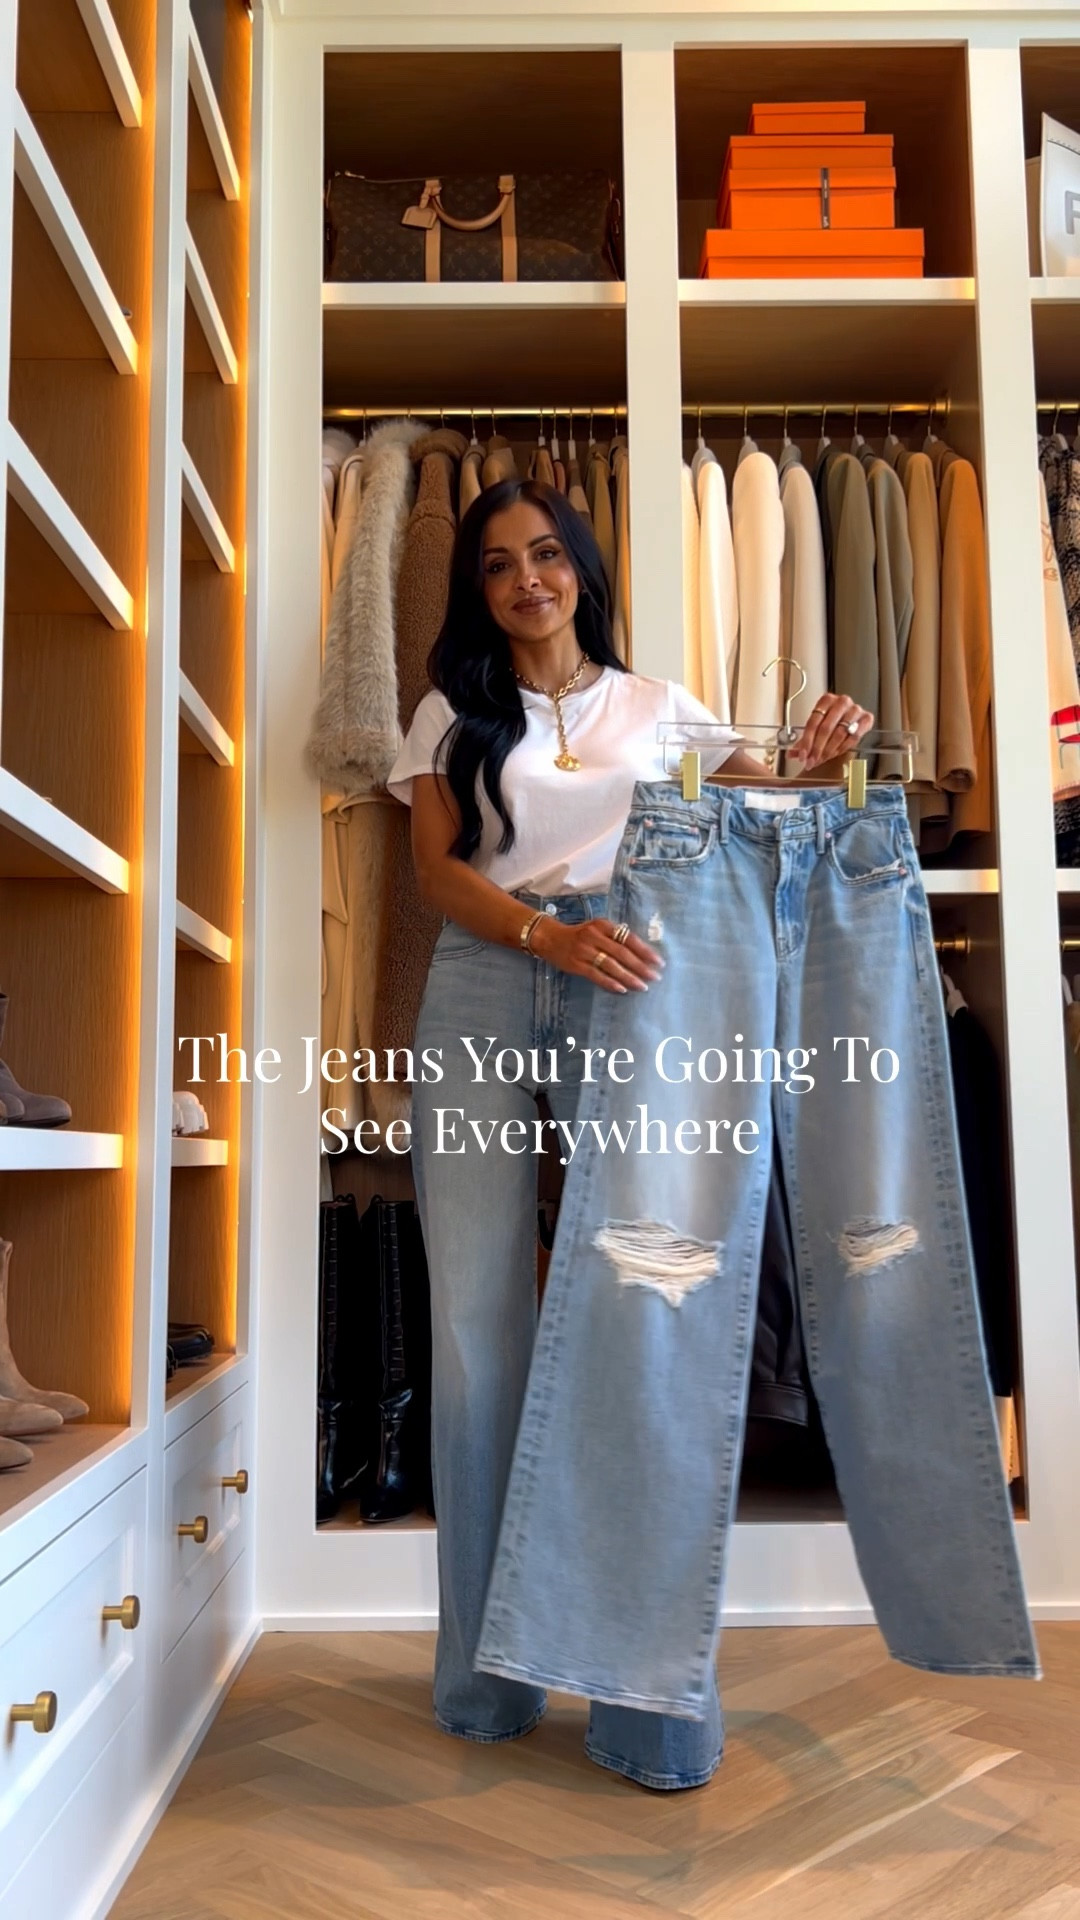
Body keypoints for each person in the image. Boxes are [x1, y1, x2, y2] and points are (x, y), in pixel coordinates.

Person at [386, 476, 873, 1790]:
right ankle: (484, 1682)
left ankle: (650, 1702)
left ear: (583, 570)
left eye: (547, 556)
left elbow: (757, 814)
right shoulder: (451, 713)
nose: (526, 580)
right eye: (498, 566)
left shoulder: (662, 712)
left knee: (646, 1317)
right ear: (478, 591)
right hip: (492, 976)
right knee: (477, 1331)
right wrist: (545, 932)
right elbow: (435, 874)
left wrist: (819, 766)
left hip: (636, 987)